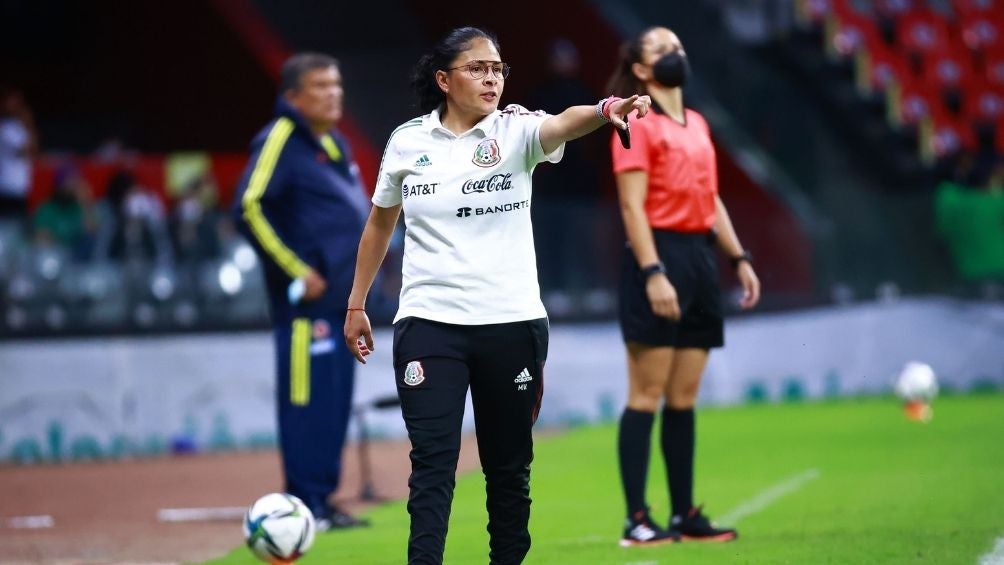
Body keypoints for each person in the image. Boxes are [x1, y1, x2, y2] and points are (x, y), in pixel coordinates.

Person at [342, 26, 650, 565]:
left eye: (498, 69)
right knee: (433, 464)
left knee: (508, 468)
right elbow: (378, 225)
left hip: (510, 324)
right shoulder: (407, 141)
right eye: (478, 68)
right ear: (444, 79)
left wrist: (604, 109)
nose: (492, 79)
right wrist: (356, 304)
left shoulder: (517, 131)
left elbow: (563, 123)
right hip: (428, 323)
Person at [607, 26, 761, 546]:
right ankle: (636, 519)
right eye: (663, 49)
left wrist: (738, 257)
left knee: (683, 397)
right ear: (643, 70)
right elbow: (632, 206)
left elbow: (711, 197)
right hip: (660, 254)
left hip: (699, 257)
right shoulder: (636, 123)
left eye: (680, 45)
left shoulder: (696, 122)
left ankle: (684, 515)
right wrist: (653, 273)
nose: (677, 53)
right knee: (646, 394)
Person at [232, 52, 371, 531]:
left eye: (336, 84)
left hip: (341, 303)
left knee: (333, 401)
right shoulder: (282, 138)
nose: (333, 93)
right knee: (306, 400)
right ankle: (305, 499)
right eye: (319, 86)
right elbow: (249, 206)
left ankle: (323, 500)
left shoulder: (333, 143)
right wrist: (296, 271)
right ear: (292, 96)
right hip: (304, 308)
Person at [0, 88, 37, 221]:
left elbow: (34, 151)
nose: (17, 106)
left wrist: (29, 125)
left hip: (22, 187)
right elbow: (24, 151)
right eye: (12, 102)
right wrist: (29, 123)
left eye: (19, 102)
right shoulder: (4, 128)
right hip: (6, 187)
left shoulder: (19, 127)